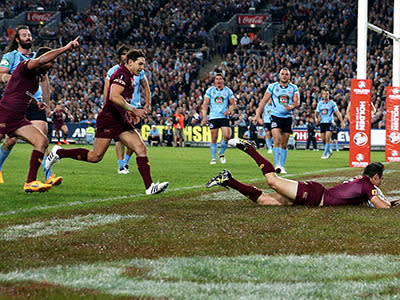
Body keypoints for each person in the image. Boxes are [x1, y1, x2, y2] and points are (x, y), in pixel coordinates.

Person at [45, 49, 169, 195]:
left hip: (120, 118)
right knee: (95, 156)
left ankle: (150, 187)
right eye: (140, 64)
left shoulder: (129, 75)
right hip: (109, 119)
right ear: (130, 62)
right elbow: (113, 96)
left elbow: (120, 99)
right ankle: (59, 152)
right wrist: (134, 110)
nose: (143, 67)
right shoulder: (122, 74)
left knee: (140, 148)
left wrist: (129, 111)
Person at [206, 138, 392, 208]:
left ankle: (228, 180)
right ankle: (249, 149)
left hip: (314, 197)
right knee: (272, 180)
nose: (381, 181)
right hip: (314, 194)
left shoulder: (362, 183)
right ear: (375, 177)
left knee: (264, 200)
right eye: (381, 178)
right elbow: (381, 206)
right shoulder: (367, 185)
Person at [0, 37, 80, 192]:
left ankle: (31, 181)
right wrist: (65, 48)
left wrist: (37, 103)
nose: (52, 66)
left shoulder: (36, 79)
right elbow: (41, 60)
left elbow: (24, 94)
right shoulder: (26, 66)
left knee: (42, 141)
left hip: (17, 119)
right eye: (51, 62)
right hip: (5, 114)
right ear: (42, 60)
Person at [0, 25, 61, 185]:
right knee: (9, 141)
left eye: (29, 34)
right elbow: (1, 74)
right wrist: (10, 79)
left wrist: (45, 104)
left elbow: (44, 81)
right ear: (18, 39)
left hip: (33, 102)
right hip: (13, 104)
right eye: (24, 35)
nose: (28, 37)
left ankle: (47, 176)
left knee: (41, 137)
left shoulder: (39, 58)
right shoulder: (11, 56)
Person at [255, 67, 300, 174]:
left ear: (289, 76)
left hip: (288, 118)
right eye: (282, 74)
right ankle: (277, 165)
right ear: (279, 76)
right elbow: (264, 100)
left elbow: (297, 102)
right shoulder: (272, 87)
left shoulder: (294, 88)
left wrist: (291, 106)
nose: (284, 76)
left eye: (286, 74)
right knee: (277, 139)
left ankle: (282, 165)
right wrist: (257, 114)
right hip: (275, 116)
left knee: (284, 143)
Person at [201, 73, 236, 164]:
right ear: (215, 81)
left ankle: (221, 153)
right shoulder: (210, 90)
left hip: (224, 117)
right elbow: (205, 105)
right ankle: (213, 158)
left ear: (223, 80)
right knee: (214, 138)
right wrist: (204, 117)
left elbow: (233, 104)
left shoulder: (228, 91)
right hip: (213, 117)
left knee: (227, 136)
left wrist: (228, 110)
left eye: (220, 79)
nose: (218, 80)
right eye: (217, 79)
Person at [315, 86, 345, 159]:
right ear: (322, 95)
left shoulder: (332, 103)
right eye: (324, 94)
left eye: (327, 94)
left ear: (329, 95)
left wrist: (342, 122)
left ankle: (325, 154)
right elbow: (317, 112)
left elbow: (338, 113)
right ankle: (330, 151)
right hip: (322, 123)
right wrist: (316, 118)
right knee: (323, 139)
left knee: (327, 138)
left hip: (329, 122)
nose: (326, 95)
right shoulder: (320, 104)